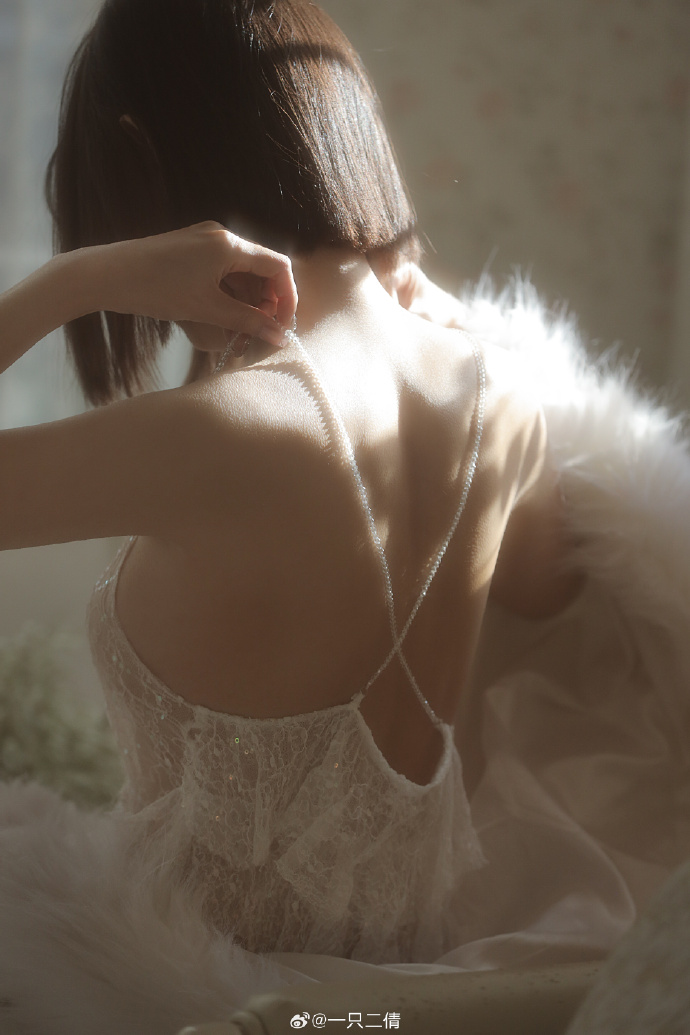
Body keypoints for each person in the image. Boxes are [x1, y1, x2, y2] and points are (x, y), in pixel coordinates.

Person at [0, 1, 686, 1032]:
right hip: (399, 995)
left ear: (139, 158)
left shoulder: (223, 431)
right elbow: (551, 590)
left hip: (174, 989)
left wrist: (80, 279)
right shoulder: (504, 393)